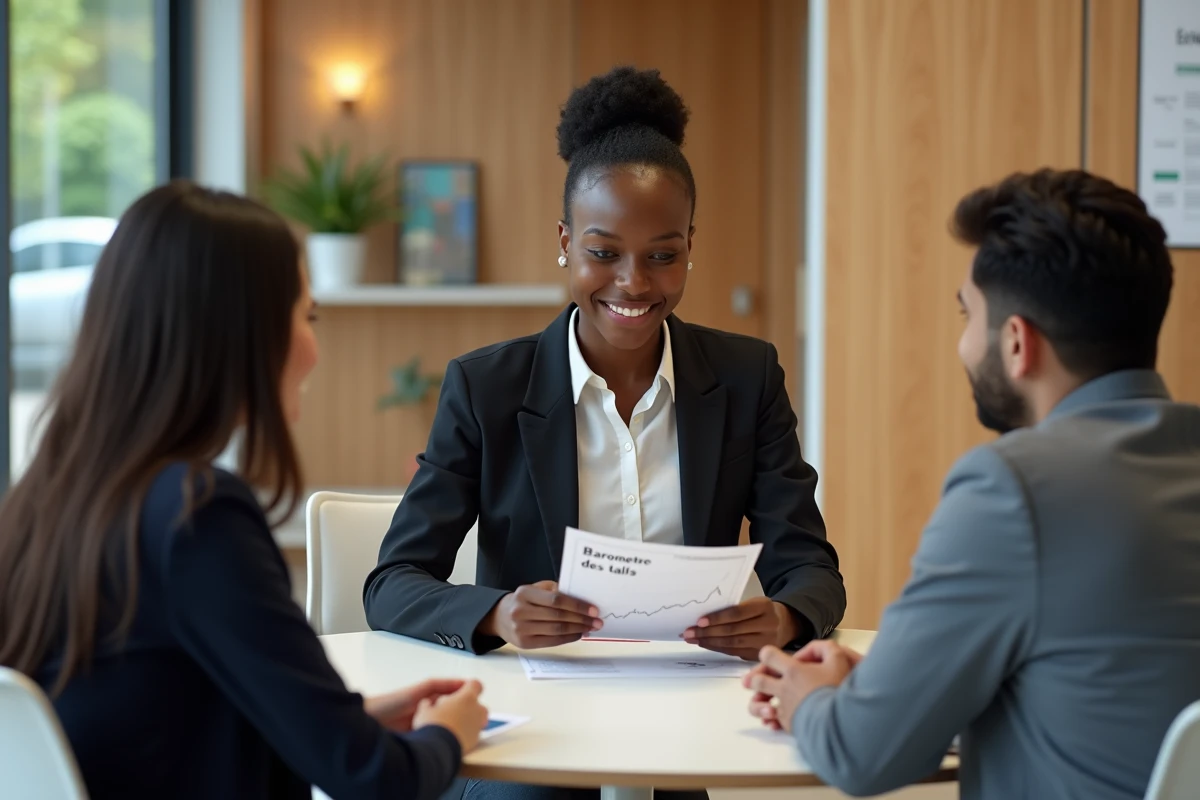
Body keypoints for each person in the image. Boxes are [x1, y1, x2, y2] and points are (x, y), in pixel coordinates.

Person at [364, 66, 846, 800]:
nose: (633, 283)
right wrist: (498, 612)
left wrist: (782, 615)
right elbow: (393, 584)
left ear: (690, 244)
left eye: (663, 254)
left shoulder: (747, 378)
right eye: (603, 252)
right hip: (534, 720)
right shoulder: (487, 387)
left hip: (691, 718)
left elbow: (811, 568)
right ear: (564, 242)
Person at [0, 181, 488, 800]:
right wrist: (450, 734)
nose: (314, 349)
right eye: (307, 316)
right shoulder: (197, 514)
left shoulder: (56, 495)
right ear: (245, 331)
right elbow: (373, 779)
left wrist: (345, 721)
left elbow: (152, 712)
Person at [743, 169, 1200, 799]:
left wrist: (808, 699)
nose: (963, 344)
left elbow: (861, 754)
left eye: (969, 315)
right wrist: (889, 682)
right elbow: (1102, 689)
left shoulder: (1017, 489)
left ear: (1017, 343)